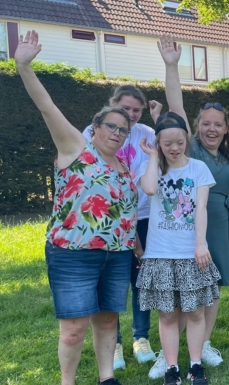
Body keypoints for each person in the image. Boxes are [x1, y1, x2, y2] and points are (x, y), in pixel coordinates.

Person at [16, 31, 133, 385]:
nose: (117, 133)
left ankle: (105, 378)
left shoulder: (123, 165)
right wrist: (23, 65)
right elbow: (47, 106)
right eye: (111, 126)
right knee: (73, 328)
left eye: (123, 129)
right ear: (95, 127)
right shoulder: (75, 149)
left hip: (115, 255)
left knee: (107, 320)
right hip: (72, 253)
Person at [151, 34, 229, 372]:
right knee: (180, 291)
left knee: (213, 287)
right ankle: (168, 353)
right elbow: (175, 106)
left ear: (224, 128)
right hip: (191, 224)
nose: (212, 129)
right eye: (206, 124)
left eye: (218, 124)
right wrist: (172, 66)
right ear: (197, 127)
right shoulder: (191, 150)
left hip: (221, 222)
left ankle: (202, 345)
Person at [136, 112, 220, 385]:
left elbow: (201, 209)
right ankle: (172, 368)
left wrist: (200, 243)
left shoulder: (198, 169)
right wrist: (150, 157)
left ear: (187, 139)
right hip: (159, 254)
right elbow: (148, 189)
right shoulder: (154, 169)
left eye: (179, 142)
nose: (174, 148)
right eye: (167, 143)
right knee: (168, 315)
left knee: (196, 313)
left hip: (190, 253)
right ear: (158, 142)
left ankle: (195, 364)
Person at [82, 85, 160, 370]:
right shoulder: (91, 132)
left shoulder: (147, 134)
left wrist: (157, 118)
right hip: (107, 222)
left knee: (141, 279)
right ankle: (113, 343)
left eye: (136, 110)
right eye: (126, 108)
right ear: (113, 104)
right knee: (110, 283)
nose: (131, 115)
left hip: (142, 217)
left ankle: (141, 338)